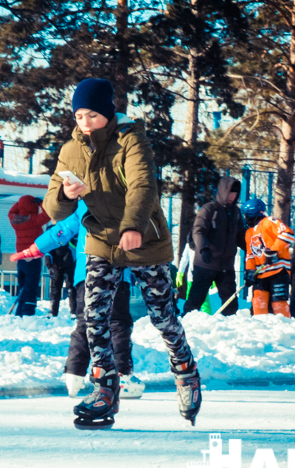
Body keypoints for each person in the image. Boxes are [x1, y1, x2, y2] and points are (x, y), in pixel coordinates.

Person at [43, 77, 200, 428]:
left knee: (162, 317)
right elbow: (53, 206)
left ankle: (186, 370)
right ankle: (104, 386)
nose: (85, 123)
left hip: (144, 238)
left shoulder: (131, 140)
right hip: (101, 239)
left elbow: (143, 186)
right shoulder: (70, 150)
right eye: (79, 116)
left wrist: (133, 226)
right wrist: (66, 195)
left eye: (93, 116)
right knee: (93, 314)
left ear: (109, 113)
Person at [12, 200, 144, 399]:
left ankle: (74, 374)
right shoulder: (126, 201)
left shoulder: (86, 203)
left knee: (85, 321)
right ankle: (121, 375)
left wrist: (35, 248)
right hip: (116, 272)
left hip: (86, 274)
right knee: (117, 322)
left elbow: (63, 230)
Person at [184, 176, 246, 316]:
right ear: (224, 191)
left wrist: (251, 250)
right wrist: (203, 248)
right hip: (205, 263)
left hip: (226, 266)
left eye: (235, 194)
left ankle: (228, 330)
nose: (233, 196)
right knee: (195, 299)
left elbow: (241, 236)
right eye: (230, 193)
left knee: (230, 302)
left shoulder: (236, 213)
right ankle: (186, 324)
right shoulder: (209, 209)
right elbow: (198, 231)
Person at [242, 198, 295, 317]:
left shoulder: (269, 221)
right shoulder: (249, 233)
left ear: (252, 214)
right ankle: (261, 330)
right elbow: (250, 255)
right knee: (258, 302)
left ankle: (284, 327)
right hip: (261, 273)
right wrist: (250, 271)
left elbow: (288, 234)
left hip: (278, 271)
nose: (245, 218)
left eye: (246, 215)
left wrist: (273, 250)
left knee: (278, 303)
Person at [8, 195, 50, 316]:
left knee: (23, 287)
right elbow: (48, 214)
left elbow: (11, 211)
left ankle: (20, 312)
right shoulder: (34, 220)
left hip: (20, 258)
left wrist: (20, 203)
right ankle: (28, 313)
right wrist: (41, 203)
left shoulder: (15, 220)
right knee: (31, 288)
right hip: (33, 258)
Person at [43, 227, 77, 318]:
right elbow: (48, 251)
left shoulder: (68, 230)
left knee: (70, 288)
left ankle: (74, 311)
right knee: (55, 289)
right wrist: (49, 263)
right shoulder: (52, 234)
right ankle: (53, 311)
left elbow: (74, 245)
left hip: (69, 263)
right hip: (56, 265)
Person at [176, 232, 211, 314]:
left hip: (201, 276)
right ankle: (192, 316)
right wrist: (180, 273)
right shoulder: (191, 244)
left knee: (203, 300)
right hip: (194, 276)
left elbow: (184, 260)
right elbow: (184, 260)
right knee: (195, 298)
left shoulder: (205, 244)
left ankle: (204, 317)